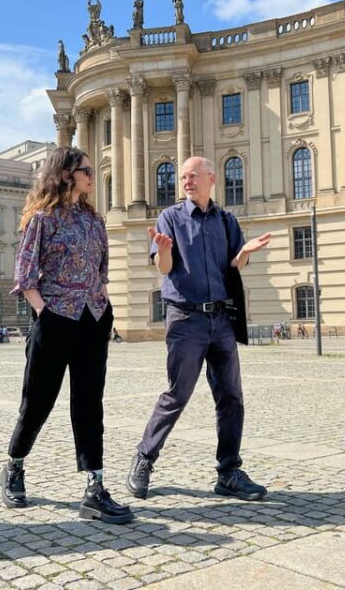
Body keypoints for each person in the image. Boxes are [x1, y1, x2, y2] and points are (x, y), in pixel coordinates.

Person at [127, 156, 271, 501]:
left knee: (231, 397)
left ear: (211, 179)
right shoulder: (170, 218)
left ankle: (229, 472)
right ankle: (144, 458)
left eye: (193, 176)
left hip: (221, 319)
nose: (187, 182)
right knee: (177, 394)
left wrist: (245, 253)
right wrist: (162, 250)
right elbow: (165, 266)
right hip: (186, 319)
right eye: (183, 177)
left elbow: (234, 265)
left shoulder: (226, 221)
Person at [2, 146, 133, 524]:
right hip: (55, 319)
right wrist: (44, 311)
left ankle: (94, 487)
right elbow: (24, 275)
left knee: (90, 404)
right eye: (86, 170)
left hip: (92, 319)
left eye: (91, 170)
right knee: (38, 402)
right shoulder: (42, 219)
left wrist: (105, 309)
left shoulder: (95, 221)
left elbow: (102, 270)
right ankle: (15, 465)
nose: (92, 175)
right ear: (65, 174)